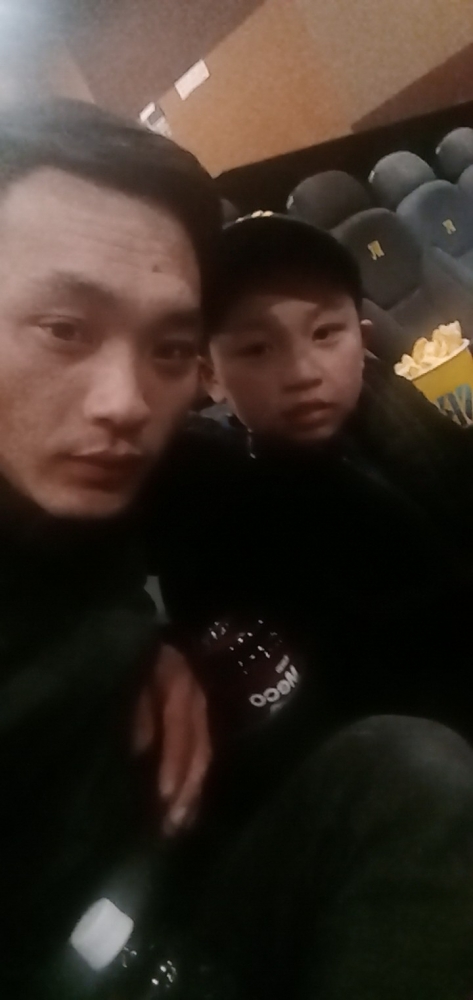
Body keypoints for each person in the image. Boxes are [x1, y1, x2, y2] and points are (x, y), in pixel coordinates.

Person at [146, 214, 473, 999]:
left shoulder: (399, 418)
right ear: (210, 375)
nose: (301, 372)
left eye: (324, 334)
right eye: (256, 349)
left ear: (360, 336)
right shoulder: (216, 503)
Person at [0, 98, 221, 994]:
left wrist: (148, 646)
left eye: (169, 350)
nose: (126, 404)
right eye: (65, 330)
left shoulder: (98, 490)